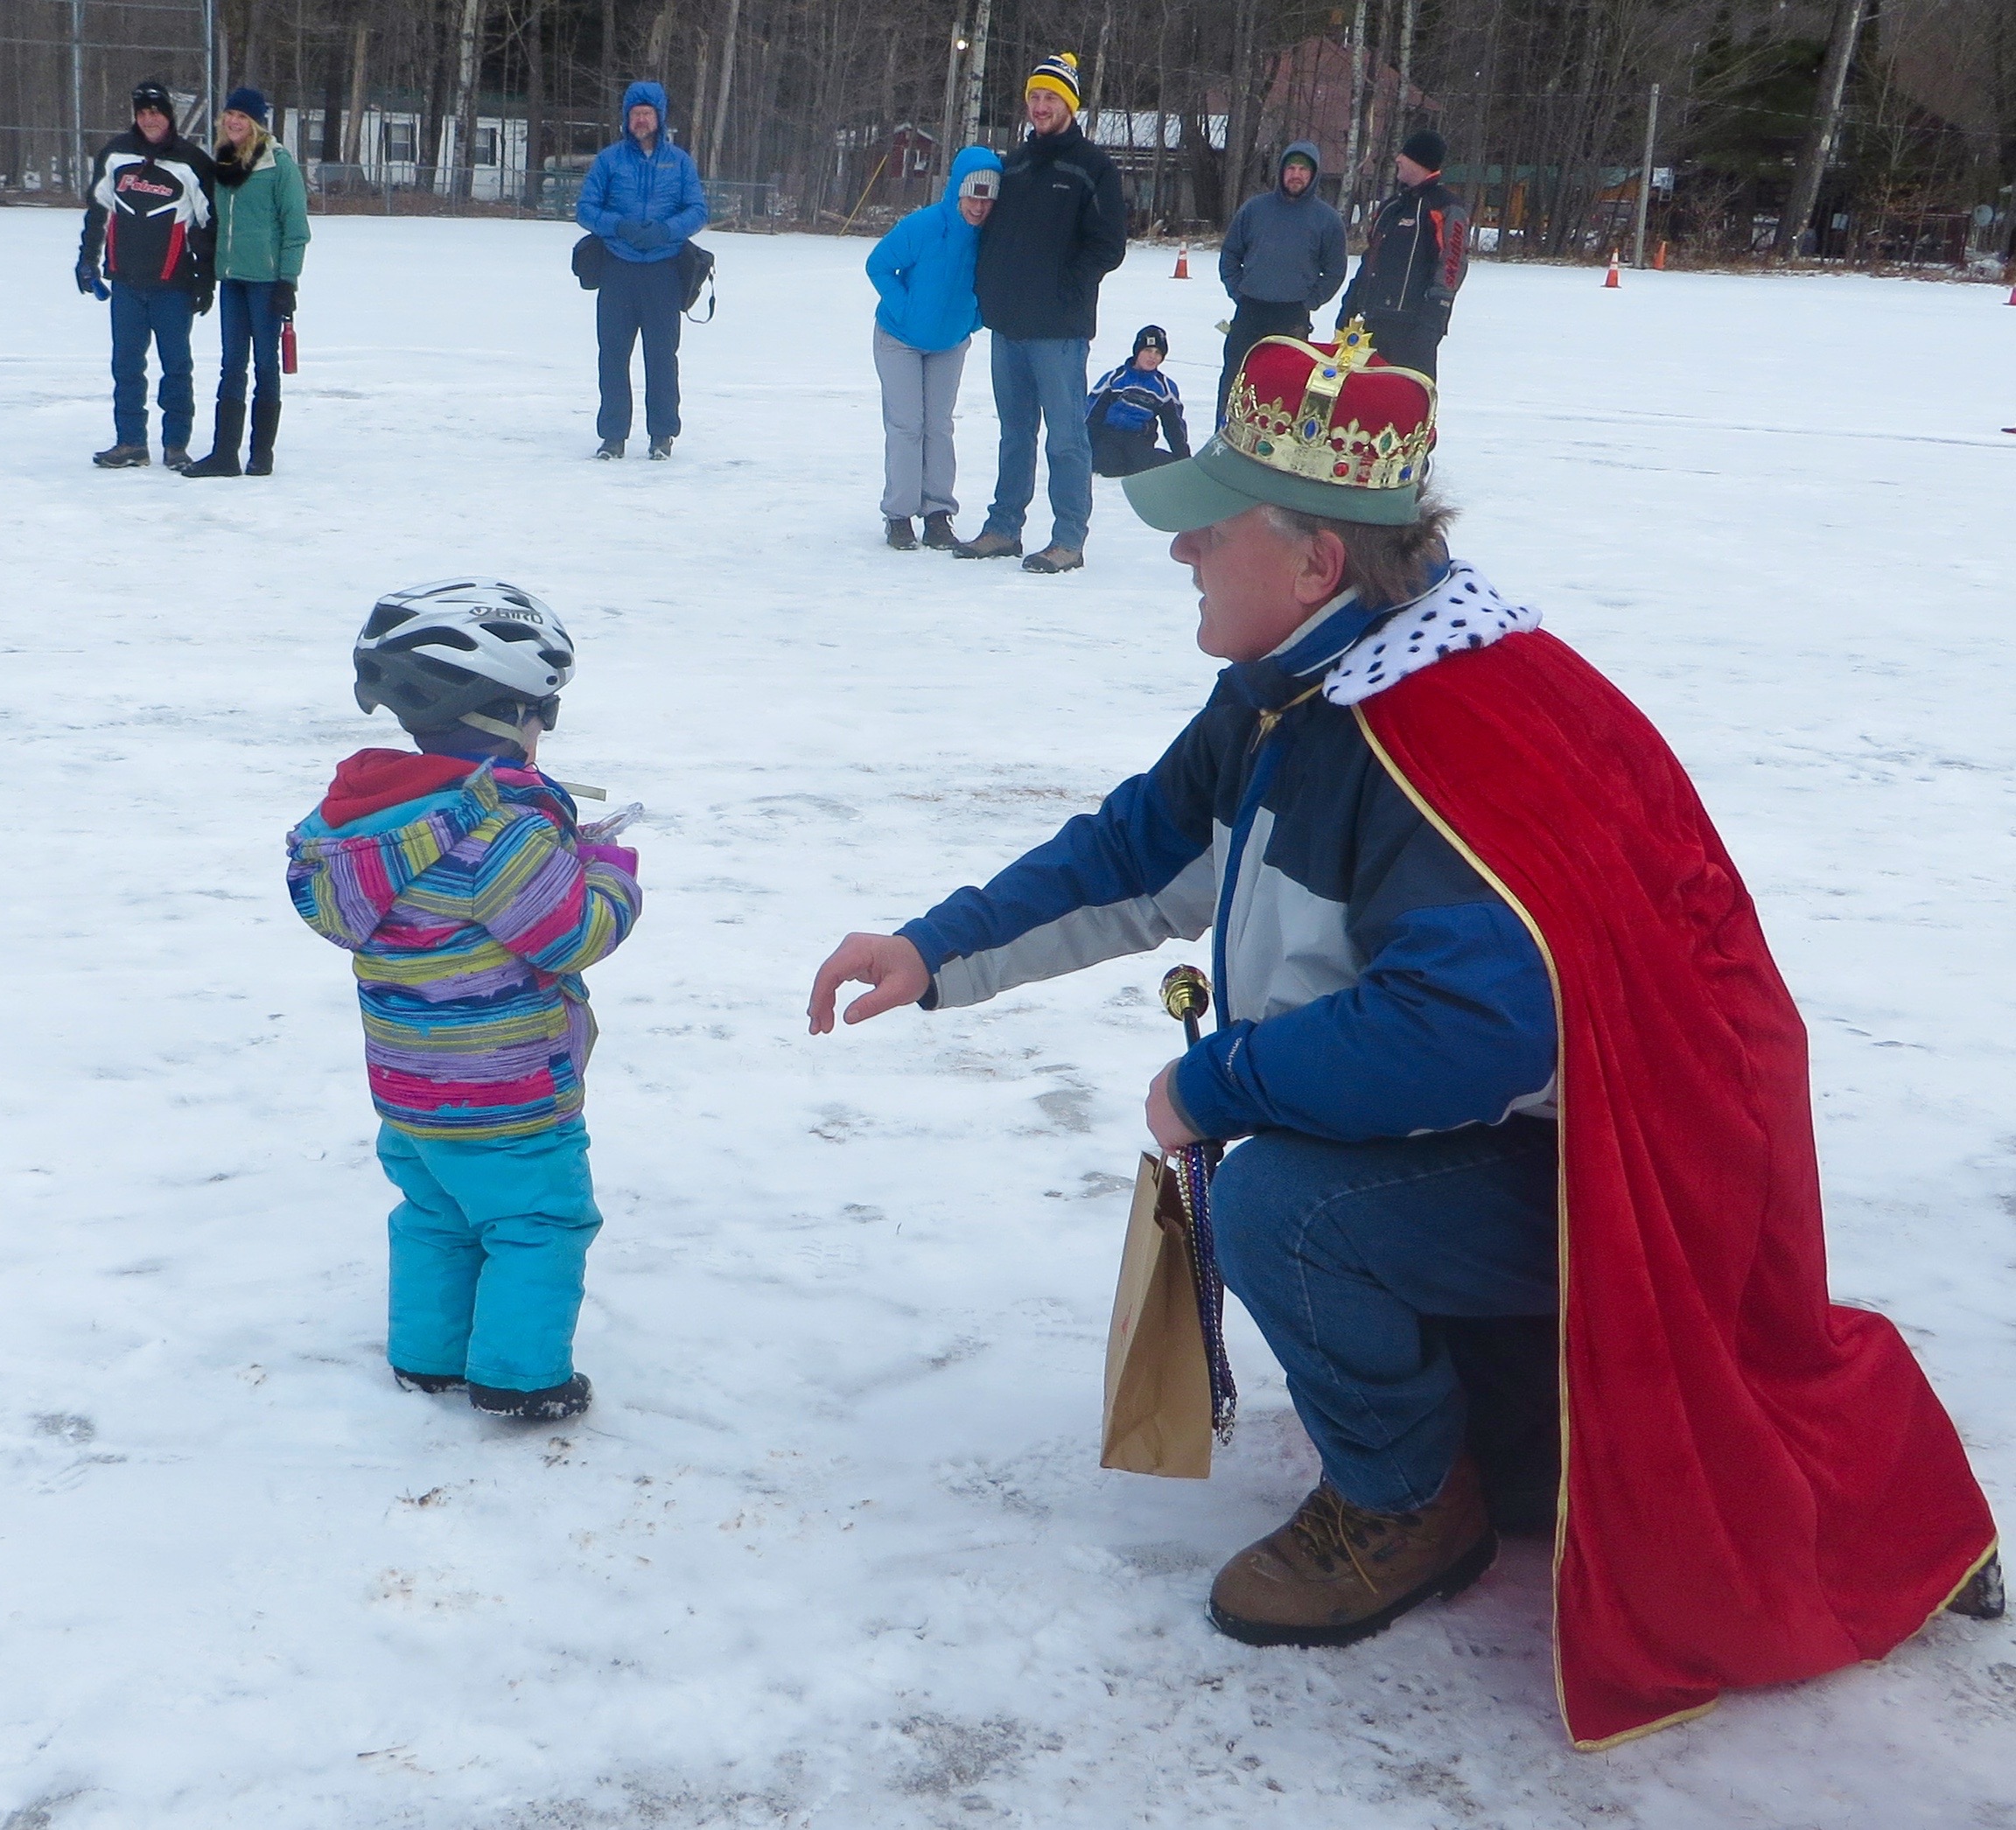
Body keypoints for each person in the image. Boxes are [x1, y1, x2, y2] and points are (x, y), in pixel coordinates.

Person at [808, 328, 2000, 1748]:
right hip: (1530, 1157)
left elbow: (1466, 1028)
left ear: (1315, 560)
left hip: (1614, 1193)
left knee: (1279, 1205)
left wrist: (1214, 1079)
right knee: (1309, 1179)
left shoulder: (1436, 732)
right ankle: (1499, 1429)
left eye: (1209, 526)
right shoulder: (1298, 687)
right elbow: (1146, 844)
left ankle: (1400, 1505)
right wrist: (934, 947)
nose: (1180, 551)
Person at [286, 580, 642, 1422]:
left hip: (409, 1088)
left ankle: (428, 1357)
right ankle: (522, 1380)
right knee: (538, 1227)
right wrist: (609, 873)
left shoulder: (362, 828)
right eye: (539, 714)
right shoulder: (497, 833)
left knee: (434, 1216)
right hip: (510, 1093)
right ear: (500, 717)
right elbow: (574, 934)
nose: (543, 732)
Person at [954, 52, 1127, 575]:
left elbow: (1108, 246)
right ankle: (1004, 527)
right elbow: (994, 238)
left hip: (1059, 330)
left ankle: (1068, 539)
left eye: (1051, 97)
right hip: (1008, 326)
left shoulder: (1093, 168)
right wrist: (991, 293)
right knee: (1014, 431)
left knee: (1067, 435)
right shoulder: (1016, 164)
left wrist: (1066, 289)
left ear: (1069, 104)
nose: (1041, 106)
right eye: (1034, 97)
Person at [864, 148, 1002, 551]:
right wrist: (904, 308)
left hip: (949, 344)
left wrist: (972, 319)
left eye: (987, 198)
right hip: (899, 340)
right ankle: (900, 514)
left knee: (939, 426)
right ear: (956, 191)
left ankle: (939, 512)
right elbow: (878, 264)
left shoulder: (989, 240)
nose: (978, 207)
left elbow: (991, 287)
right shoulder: (923, 226)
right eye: (972, 196)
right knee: (907, 425)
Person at [75, 79, 217, 471]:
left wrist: (205, 280)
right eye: (142, 113)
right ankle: (131, 442)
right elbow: (98, 211)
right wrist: (88, 260)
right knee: (126, 366)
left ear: (168, 115)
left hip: (173, 285)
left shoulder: (192, 162)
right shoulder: (116, 154)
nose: (150, 119)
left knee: (176, 367)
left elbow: (208, 227)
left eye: (156, 112)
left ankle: (175, 445)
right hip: (126, 284)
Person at [576, 82, 709, 461]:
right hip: (618, 270)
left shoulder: (680, 162)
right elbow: (585, 209)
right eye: (635, 113)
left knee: (662, 356)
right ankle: (613, 436)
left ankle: (662, 435)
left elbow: (697, 210)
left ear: (660, 117)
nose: (641, 119)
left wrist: (667, 231)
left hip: (663, 272)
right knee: (613, 355)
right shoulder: (609, 161)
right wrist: (617, 226)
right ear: (626, 118)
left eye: (647, 113)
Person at [182, 87, 310, 479]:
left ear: (256, 123)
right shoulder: (222, 163)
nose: (233, 121)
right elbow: (216, 220)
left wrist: (287, 280)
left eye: (242, 116)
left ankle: (261, 453)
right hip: (232, 279)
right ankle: (225, 454)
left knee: (266, 365)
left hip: (267, 281)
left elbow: (296, 228)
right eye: (229, 114)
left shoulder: (278, 165)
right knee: (231, 365)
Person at [1215, 141, 1347, 424]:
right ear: (1281, 172)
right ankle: (1223, 437)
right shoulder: (1254, 209)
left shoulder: (1327, 220)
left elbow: (1335, 270)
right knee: (1235, 378)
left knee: (1285, 384)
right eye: (1290, 168)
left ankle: (1275, 447)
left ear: (1313, 176)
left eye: (1302, 169)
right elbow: (1230, 254)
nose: (1295, 175)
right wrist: (1237, 291)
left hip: (1292, 316)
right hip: (1250, 310)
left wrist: (1311, 301)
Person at [1334, 129, 1468, 380]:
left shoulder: (1446, 207)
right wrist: (1351, 303)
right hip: (1373, 323)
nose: (1397, 159)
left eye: (1404, 156)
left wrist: (1434, 317)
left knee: (1408, 403)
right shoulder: (1390, 208)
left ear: (1420, 161)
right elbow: (1369, 259)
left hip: (1414, 327)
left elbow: (1452, 265)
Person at [1084, 325, 1190, 478]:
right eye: (1148, 350)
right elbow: (1093, 414)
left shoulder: (1164, 387)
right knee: (1108, 468)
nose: (1152, 357)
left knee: (1145, 468)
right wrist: (1085, 446)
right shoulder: (1115, 378)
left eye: (1158, 353)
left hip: (1139, 440)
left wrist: (1183, 459)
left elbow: (1174, 425)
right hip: (1108, 436)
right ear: (1137, 352)